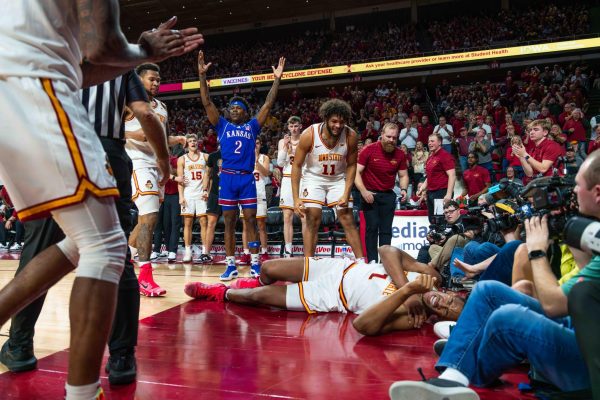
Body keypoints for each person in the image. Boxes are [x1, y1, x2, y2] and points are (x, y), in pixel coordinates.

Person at [0, 2, 202, 398]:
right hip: (42, 93)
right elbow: (104, 47)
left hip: (17, 96)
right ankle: (84, 391)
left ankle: (21, 344)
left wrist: (138, 54)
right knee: (108, 248)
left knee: (77, 243)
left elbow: (85, 70)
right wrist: (145, 50)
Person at [389, 150, 600, 400]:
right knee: (488, 291)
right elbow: (582, 290)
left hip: (588, 360)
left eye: (577, 186)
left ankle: (469, 350)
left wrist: (536, 251)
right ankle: (452, 378)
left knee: (507, 316)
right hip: (583, 331)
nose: (573, 192)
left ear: (596, 193)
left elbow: (555, 304)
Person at [184, 256, 463, 335]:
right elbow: (388, 251)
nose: (444, 304)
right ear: (449, 292)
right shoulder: (430, 275)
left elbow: (362, 326)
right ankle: (254, 280)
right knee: (269, 268)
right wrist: (411, 288)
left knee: (256, 298)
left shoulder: (412, 317)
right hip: (340, 266)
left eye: (446, 311)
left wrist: (407, 293)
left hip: (331, 295)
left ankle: (224, 293)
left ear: (438, 318)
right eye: (451, 301)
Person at [198, 51, 285, 280]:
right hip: (227, 178)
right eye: (232, 107)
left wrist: (276, 79)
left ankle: (255, 263)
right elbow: (206, 101)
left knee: (251, 221)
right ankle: (230, 264)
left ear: (246, 113)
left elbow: (268, 103)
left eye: (239, 108)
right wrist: (202, 77)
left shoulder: (253, 126)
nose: (235, 109)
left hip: (247, 178)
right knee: (228, 224)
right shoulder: (222, 125)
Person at [126, 63, 187, 296]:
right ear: (139, 80)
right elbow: (110, 129)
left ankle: (123, 261)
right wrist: (133, 134)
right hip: (137, 163)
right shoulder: (128, 103)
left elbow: (161, 137)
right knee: (149, 218)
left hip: (157, 166)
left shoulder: (161, 106)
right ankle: (144, 276)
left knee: (145, 221)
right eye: (151, 79)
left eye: (158, 80)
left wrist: (176, 139)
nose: (156, 83)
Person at [292, 99, 364, 260]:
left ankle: (361, 262)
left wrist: (346, 193)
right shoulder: (309, 134)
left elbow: (352, 165)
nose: (338, 125)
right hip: (313, 178)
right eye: (334, 121)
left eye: (342, 121)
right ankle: (309, 262)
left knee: (347, 217)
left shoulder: (351, 136)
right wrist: (296, 198)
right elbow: (296, 165)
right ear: (325, 118)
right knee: (312, 217)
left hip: (337, 179)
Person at [354, 123, 409, 262]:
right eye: (388, 136)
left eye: (394, 138)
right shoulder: (369, 150)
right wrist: (364, 191)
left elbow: (403, 175)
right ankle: (372, 261)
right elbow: (356, 172)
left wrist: (403, 189)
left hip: (388, 195)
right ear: (382, 135)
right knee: (372, 228)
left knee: (386, 230)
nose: (391, 140)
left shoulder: (400, 154)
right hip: (369, 195)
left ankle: (386, 262)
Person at [178, 133, 210, 263]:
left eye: (195, 140)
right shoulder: (182, 159)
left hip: (201, 193)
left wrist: (207, 190)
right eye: (190, 141)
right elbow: (180, 180)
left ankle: (204, 251)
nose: (193, 143)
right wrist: (181, 196)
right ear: (187, 144)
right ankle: (187, 252)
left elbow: (210, 176)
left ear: (198, 143)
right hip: (188, 193)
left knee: (203, 222)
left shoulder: (205, 157)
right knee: (188, 223)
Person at [277, 116, 303, 257]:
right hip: (287, 179)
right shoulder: (283, 141)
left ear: (300, 126)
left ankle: (308, 250)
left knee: (304, 216)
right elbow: (280, 163)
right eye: (291, 126)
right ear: (288, 127)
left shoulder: (305, 139)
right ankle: (288, 250)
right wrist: (285, 148)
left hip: (303, 179)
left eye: (296, 126)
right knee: (287, 216)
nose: (293, 129)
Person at [416, 134, 456, 223]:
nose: (429, 143)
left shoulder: (445, 156)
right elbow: (429, 175)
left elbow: (452, 175)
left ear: (440, 142)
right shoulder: (431, 157)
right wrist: (422, 188)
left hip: (441, 193)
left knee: (441, 220)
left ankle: (444, 237)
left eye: (432, 141)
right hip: (431, 193)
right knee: (433, 220)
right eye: (429, 141)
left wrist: (449, 194)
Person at [512, 119, 563, 183]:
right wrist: (521, 157)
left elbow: (543, 169)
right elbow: (530, 173)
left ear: (545, 132)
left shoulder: (552, 145)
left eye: (536, 130)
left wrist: (525, 154)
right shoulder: (533, 149)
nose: (531, 132)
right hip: (541, 184)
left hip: (554, 185)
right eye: (530, 130)